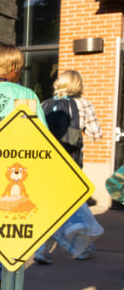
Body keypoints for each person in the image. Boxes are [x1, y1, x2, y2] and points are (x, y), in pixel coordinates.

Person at [0, 44, 47, 290]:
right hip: (11, 177)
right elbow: (41, 139)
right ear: (15, 69)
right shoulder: (24, 96)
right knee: (7, 238)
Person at [34, 69, 103, 265]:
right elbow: (95, 134)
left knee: (47, 206)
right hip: (70, 163)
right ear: (78, 84)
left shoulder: (45, 104)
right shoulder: (83, 104)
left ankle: (40, 249)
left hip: (45, 164)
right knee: (72, 207)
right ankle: (80, 246)